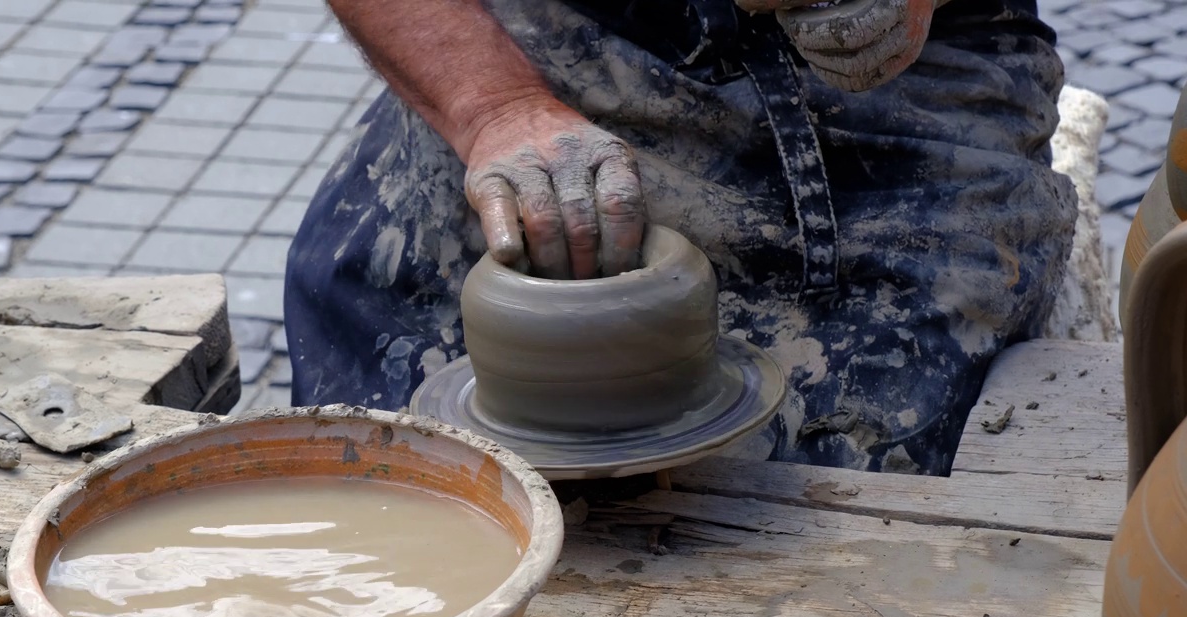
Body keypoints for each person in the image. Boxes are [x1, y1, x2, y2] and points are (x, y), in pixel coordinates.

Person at [284, 0, 1078, 476]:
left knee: (873, 442)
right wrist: (491, 106)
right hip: (548, 36)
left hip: (905, 77)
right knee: (372, 341)